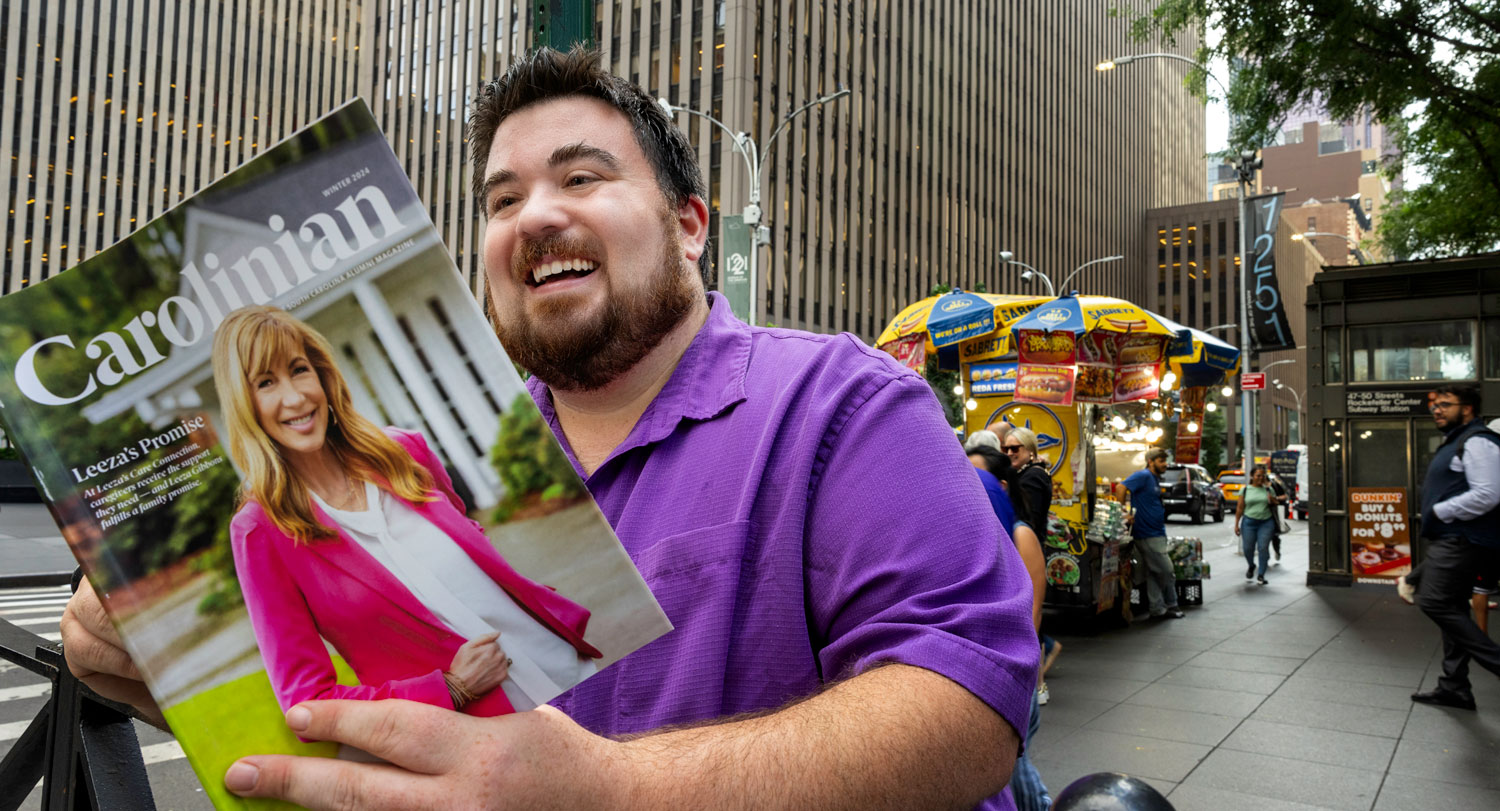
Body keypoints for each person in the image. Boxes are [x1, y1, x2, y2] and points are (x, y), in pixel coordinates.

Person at [60, 46, 1038, 809]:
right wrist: (162, 684)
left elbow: (970, 706)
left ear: (690, 225)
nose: (534, 216)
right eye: (501, 199)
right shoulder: (455, 459)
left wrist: (611, 792)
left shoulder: (845, 407)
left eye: (580, 178)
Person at [211, 305, 602, 718]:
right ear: (244, 403)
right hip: (485, 735)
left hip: (569, 669)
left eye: (299, 370)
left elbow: (472, 543)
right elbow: (306, 702)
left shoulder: (403, 451)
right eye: (266, 382)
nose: (294, 397)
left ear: (323, 376)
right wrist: (449, 689)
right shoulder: (260, 531)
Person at [1403, 384, 1500, 711]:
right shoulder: (1459, 441)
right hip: (1455, 538)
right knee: (1453, 607)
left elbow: (1488, 493)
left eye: (1446, 404)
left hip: (1464, 539)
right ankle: (1454, 686)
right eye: (1435, 405)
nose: (1437, 410)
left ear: (1468, 408)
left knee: (1433, 601)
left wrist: (1440, 511)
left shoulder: (1479, 441)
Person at [964, 444, 1049, 811]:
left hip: (1011, 668)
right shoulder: (972, 536)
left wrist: (1014, 674)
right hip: (982, 670)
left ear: (999, 485)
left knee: (1013, 768)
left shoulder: (1019, 535)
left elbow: (1030, 615)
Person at [1122, 449, 1185, 619]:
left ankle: (1157, 608)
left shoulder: (1154, 479)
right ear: (1151, 461)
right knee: (1166, 570)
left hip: (1155, 532)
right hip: (1148, 533)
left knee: (1153, 572)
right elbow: (1121, 487)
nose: (1165, 464)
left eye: (1165, 460)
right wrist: (1123, 513)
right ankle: (1172, 604)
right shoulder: (1143, 475)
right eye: (1161, 461)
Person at [1235, 466, 1282, 586]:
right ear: (1252, 476)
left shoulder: (1268, 489)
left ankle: (1261, 574)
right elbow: (1240, 508)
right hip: (1249, 523)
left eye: (1263, 476)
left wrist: (1273, 499)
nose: (1261, 478)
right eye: (1258, 475)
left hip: (1266, 523)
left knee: (1263, 548)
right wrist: (1236, 524)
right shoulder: (1245, 490)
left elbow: (1277, 502)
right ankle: (1251, 565)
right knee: (1248, 549)